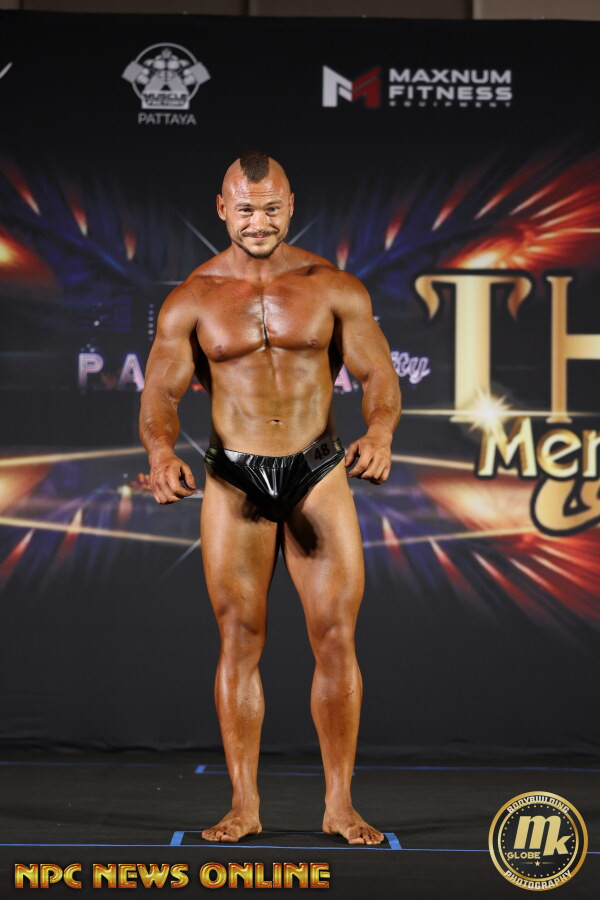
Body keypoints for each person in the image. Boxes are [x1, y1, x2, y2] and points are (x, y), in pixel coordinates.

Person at [139, 151, 401, 845]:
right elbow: (161, 390)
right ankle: (244, 805)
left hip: (317, 470)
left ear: (291, 206)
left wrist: (380, 432)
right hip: (234, 476)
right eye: (246, 209)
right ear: (222, 209)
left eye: (272, 208)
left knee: (336, 637)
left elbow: (378, 374)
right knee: (240, 637)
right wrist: (161, 452)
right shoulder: (193, 298)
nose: (259, 222)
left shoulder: (333, 286)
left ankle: (339, 805)